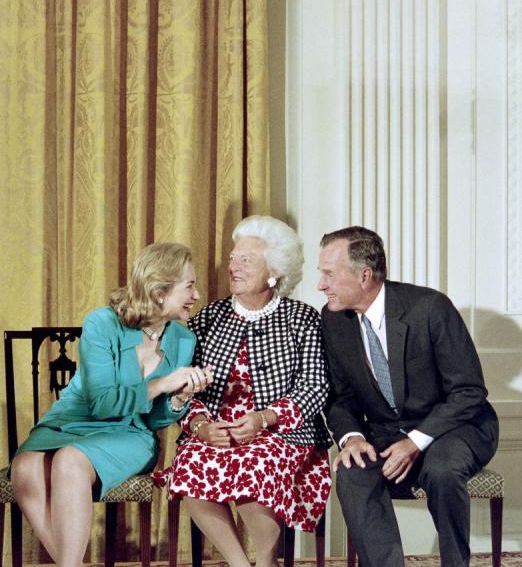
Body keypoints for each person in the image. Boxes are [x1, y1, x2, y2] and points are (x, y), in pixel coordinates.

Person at [10, 242, 213, 567]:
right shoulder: (102, 323)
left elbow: (156, 420)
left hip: (130, 434)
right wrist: (163, 383)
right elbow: (102, 402)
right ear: (160, 290)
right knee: (25, 467)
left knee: (68, 461)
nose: (197, 295)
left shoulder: (183, 340)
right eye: (189, 286)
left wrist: (178, 398)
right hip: (74, 420)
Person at [155, 216, 332, 567]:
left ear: (274, 271)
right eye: (233, 259)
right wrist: (201, 425)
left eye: (245, 260)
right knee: (191, 462)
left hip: (281, 432)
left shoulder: (302, 318)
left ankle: (263, 562)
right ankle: (240, 563)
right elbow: (186, 384)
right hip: (218, 430)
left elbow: (315, 386)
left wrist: (265, 418)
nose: (232, 267)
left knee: (258, 463)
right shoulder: (209, 317)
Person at [317, 226, 499, 567]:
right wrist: (352, 438)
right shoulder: (334, 320)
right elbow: (340, 399)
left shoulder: (429, 307)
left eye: (329, 274)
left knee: (442, 470)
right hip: (386, 431)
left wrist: (416, 441)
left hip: (456, 427)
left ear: (364, 275)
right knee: (353, 472)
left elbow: (469, 392)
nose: (321, 285)